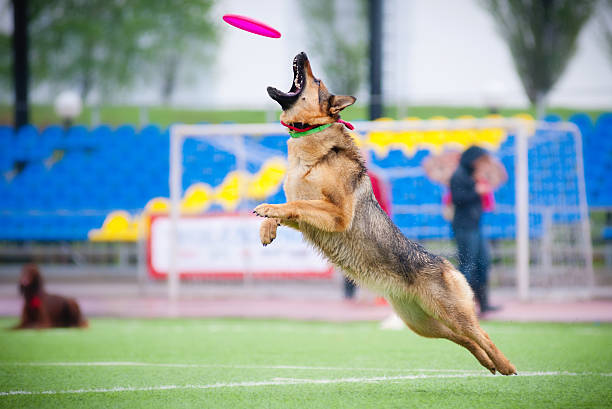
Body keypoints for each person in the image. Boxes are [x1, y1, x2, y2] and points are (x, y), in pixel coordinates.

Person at [450, 146, 500, 314]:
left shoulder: (473, 175)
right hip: (464, 227)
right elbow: (457, 199)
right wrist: (475, 191)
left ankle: (483, 304)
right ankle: (462, 306)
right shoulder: (458, 175)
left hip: (475, 226)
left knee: (482, 263)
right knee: (467, 266)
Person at [343, 169, 391, 299]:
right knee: (351, 259)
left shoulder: (375, 178)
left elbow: (382, 202)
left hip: (371, 225)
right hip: (353, 225)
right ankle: (350, 294)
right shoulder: (345, 179)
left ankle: (378, 293)